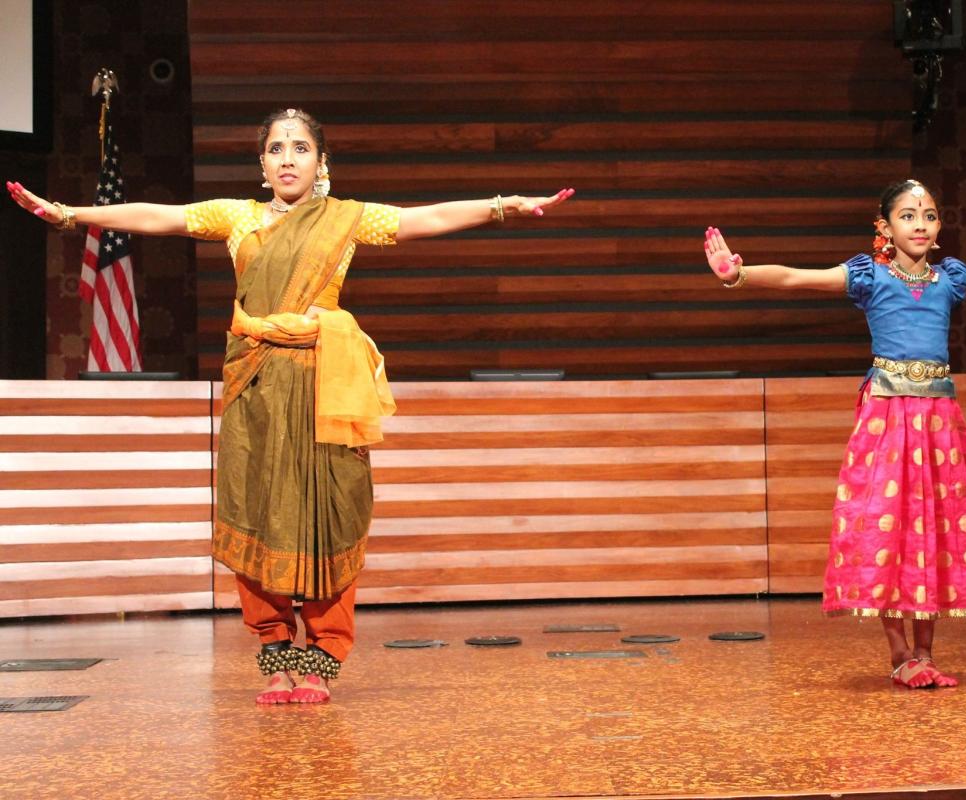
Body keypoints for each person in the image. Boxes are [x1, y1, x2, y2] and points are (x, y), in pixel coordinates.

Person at [7, 107, 573, 704]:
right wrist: (71, 215)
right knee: (256, 512)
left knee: (330, 510)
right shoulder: (240, 219)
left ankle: (324, 656)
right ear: (261, 165)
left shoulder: (346, 220)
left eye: (300, 148)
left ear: (321, 163)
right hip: (255, 389)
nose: (287, 158)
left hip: (324, 388)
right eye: (276, 148)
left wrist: (504, 205)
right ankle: (275, 653)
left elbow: (422, 218)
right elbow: (160, 216)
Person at [703, 178, 966, 688]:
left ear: (939, 227)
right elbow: (795, 278)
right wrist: (737, 275)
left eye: (928, 216)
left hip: (939, 420)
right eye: (908, 216)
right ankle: (900, 655)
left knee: (936, 529)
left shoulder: (952, 278)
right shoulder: (868, 277)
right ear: (884, 226)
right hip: (886, 418)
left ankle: (925, 653)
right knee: (886, 528)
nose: (920, 224)